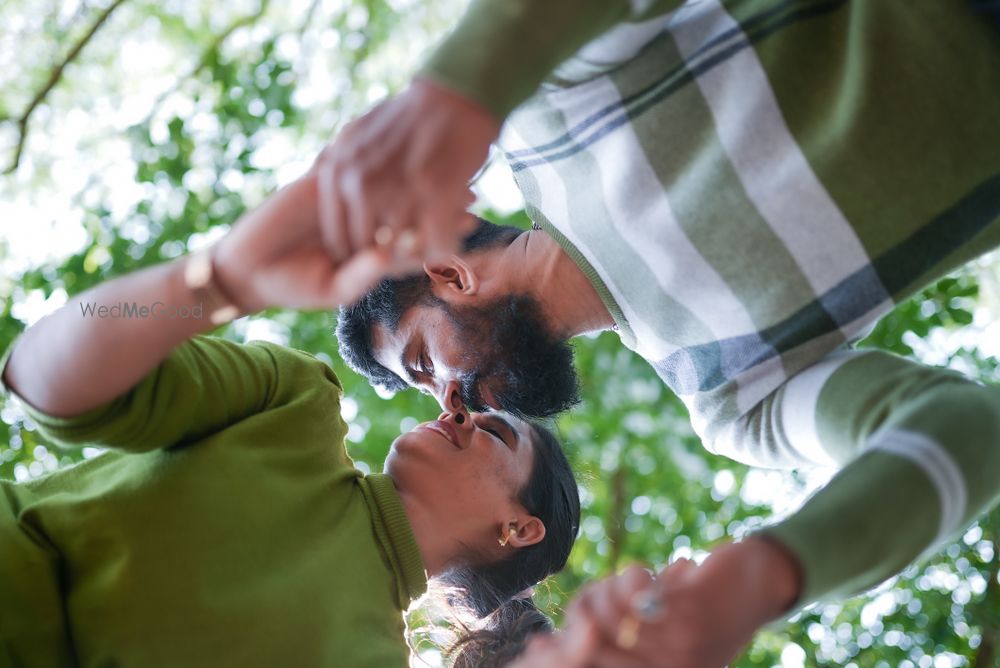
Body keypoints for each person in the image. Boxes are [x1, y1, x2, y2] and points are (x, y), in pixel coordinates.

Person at [329, 0, 1000, 664]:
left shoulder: (546, 118)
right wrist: (762, 578)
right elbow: (966, 427)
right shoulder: (730, 400)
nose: (448, 403)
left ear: (448, 272)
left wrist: (454, 106)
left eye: (423, 362)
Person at [0, 172, 580, 668]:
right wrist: (225, 278)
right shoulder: (295, 403)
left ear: (519, 528)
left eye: (494, 431)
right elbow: (39, 377)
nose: (454, 408)